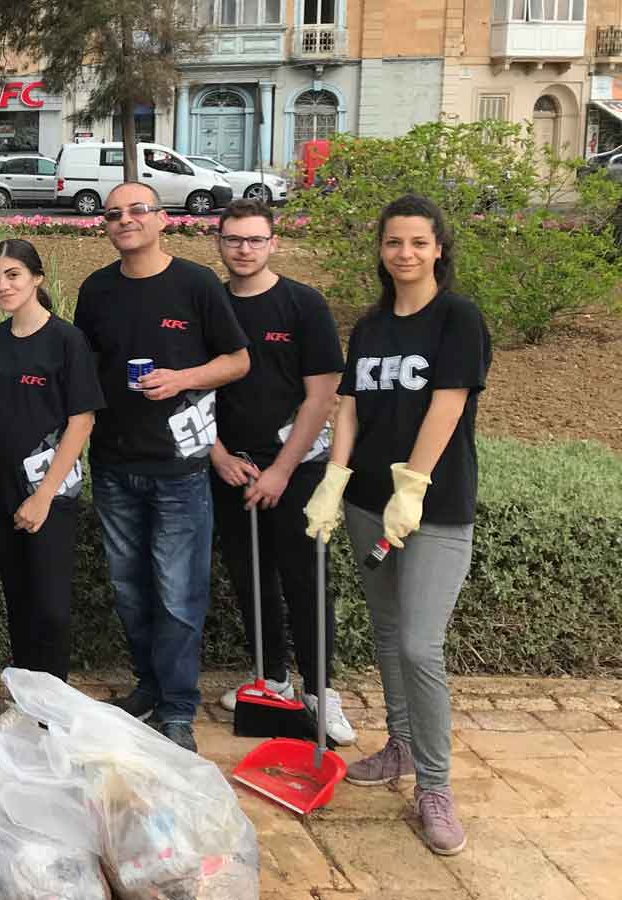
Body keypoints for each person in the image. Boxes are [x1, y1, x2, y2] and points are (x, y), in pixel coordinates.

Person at [304, 194, 491, 856]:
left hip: (431, 509)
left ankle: (435, 789)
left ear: (439, 247)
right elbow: (349, 405)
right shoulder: (373, 327)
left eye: (418, 242)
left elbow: (447, 407)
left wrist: (412, 487)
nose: (405, 253)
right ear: (381, 251)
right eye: (393, 243)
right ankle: (403, 746)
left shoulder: (457, 320)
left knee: (419, 643)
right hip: (366, 507)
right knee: (386, 631)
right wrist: (335, 478)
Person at [73, 181, 251, 753]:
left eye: (137, 211)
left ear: (162, 219)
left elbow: (238, 360)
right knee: (130, 589)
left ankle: (178, 708)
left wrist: (182, 379)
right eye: (114, 214)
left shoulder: (195, 285)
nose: (125, 220)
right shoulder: (96, 290)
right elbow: (82, 371)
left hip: (180, 469)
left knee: (178, 593)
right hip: (114, 465)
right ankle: (148, 688)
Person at [207, 200, 356, 746]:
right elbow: (197, 391)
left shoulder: (302, 304)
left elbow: (321, 398)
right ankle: (271, 679)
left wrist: (281, 472)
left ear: (273, 243)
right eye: (232, 240)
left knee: (306, 580)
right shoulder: (211, 302)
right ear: (217, 243)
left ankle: (321, 691)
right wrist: (217, 453)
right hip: (228, 467)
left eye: (253, 240)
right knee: (251, 578)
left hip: (296, 468)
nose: (243, 249)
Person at [0, 240, 101, 692]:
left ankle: (52, 706)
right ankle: (25, 696)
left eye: (13, 275)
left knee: (50, 607)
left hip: (47, 491)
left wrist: (43, 497)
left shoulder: (66, 341)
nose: (3, 286)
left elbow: (82, 421)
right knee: (17, 599)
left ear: (36, 278)